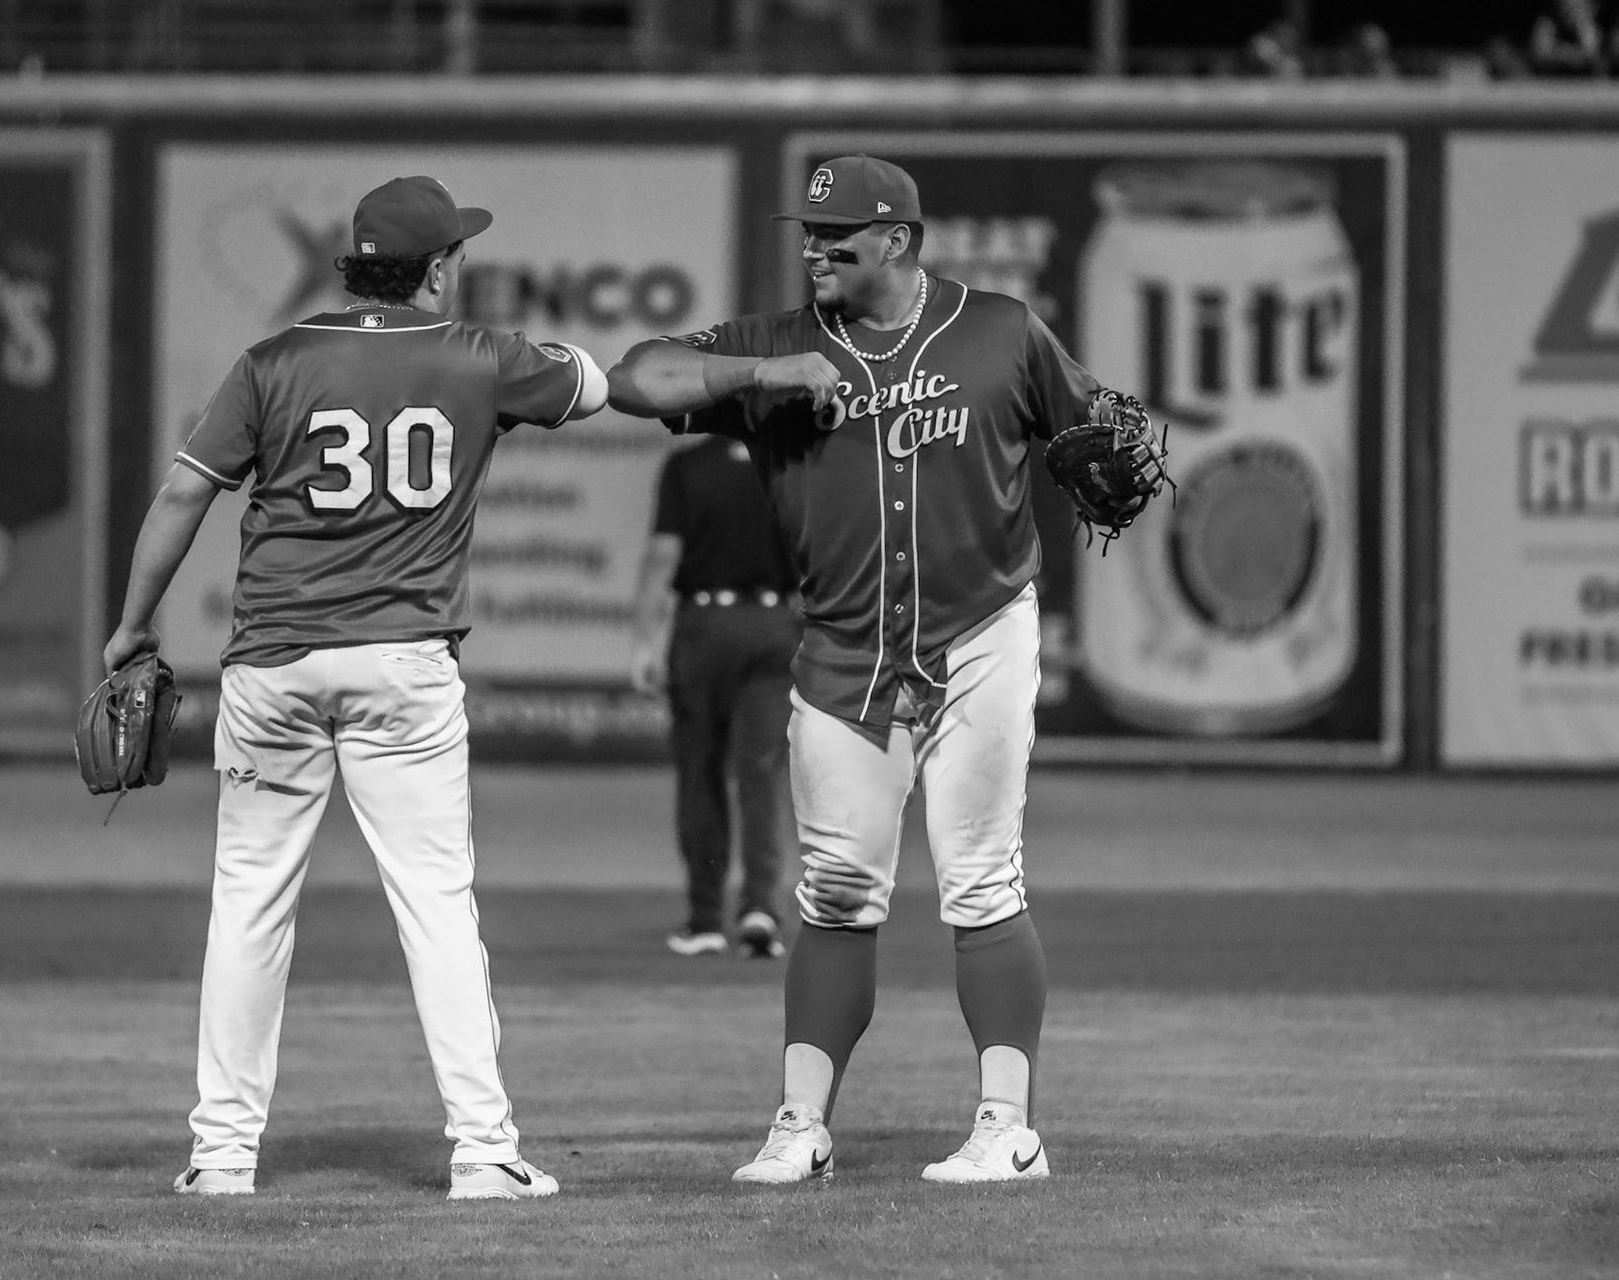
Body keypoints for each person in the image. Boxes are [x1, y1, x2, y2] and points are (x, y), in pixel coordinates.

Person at [607, 154, 1140, 1186]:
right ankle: (800, 1123)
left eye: (838, 234)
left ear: (898, 240)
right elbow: (636, 376)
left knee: (981, 876)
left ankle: (1008, 1126)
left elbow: (1092, 426)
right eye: (809, 231)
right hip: (844, 648)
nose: (815, 247)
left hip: (982, 631)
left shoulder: (999, 329)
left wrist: (1098, 441)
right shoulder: (776, 343)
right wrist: (755, 378)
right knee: (838, 886)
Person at [103, 175, 608, 1202]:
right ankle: (482, 1149)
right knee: (437, 906)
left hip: (274, 663)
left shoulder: (273, 361)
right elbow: (591, 383)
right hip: (403, 664)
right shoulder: (478, 356)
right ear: (431, 270)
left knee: (247, 907)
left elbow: (184, 492)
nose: (460, 266)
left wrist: (132, 623)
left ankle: (221, 1154)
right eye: (454, 253)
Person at [630, 435, 801, 959]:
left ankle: (705, 919)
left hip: (703, 625)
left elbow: (663, 557)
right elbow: (815, 555)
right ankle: (759, 909)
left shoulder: (688, 465)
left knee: (701, 771)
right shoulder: (790, 459)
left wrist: (644, 641)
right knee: (761, 772)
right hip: (774, 623)